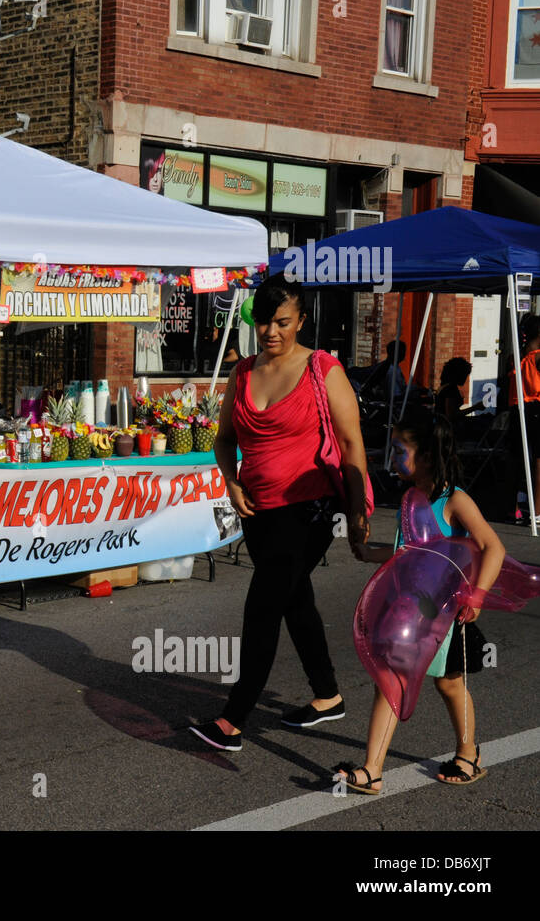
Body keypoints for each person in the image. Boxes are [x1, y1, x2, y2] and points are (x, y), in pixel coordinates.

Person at [189, 278, 369, 752]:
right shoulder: (243, 372)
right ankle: (327, 694)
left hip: (310, 509)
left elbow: (352, 444)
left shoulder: (322, 370)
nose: (272, 331)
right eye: (264, 322)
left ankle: (233, 720)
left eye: (282, 322)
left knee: (264, 604)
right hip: (258, 510)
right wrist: (231, 482)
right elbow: (224, 440)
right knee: (294, 598)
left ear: (301, 321)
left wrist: (357, 512)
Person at [336, 411, 502, 793]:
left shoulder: (454, 500)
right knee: (389, 680)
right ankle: (372, 770)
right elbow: (409, 553)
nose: (392, 459)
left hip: (447, 613)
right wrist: (371, 554)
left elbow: (493, 547)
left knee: (449, 684)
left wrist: (477, 595)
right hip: (408, 612)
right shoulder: (411, 499)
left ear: (426, 456)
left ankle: (468, 754)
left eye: (400, 451)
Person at [507, 314, 540, 523]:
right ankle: (537, 512)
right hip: (536, 409)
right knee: (538, 463)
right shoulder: (537, 357)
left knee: (518, 461)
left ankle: (516, 508)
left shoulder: (516, 357)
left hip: (518, 411)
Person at [434, 357, 483, 430]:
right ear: (458, 374)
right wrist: (475, 407)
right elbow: (451, 416)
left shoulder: (444, 386)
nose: (466, 378)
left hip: (442, 427)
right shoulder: (451, 389)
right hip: (449, 430)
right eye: (465, 375)